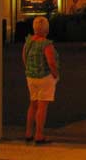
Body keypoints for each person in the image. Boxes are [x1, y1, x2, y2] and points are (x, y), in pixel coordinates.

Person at [23, 16, 59, 145]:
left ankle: (28, 132)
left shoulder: (28, 41)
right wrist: (55, 74)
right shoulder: (46, 44)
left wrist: (29, 69)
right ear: (46, 29)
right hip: (44, 77)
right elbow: (51, 62)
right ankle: (39, 134)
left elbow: (24, 57)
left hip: (31, 77)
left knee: (33, 104)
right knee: (42, 106)